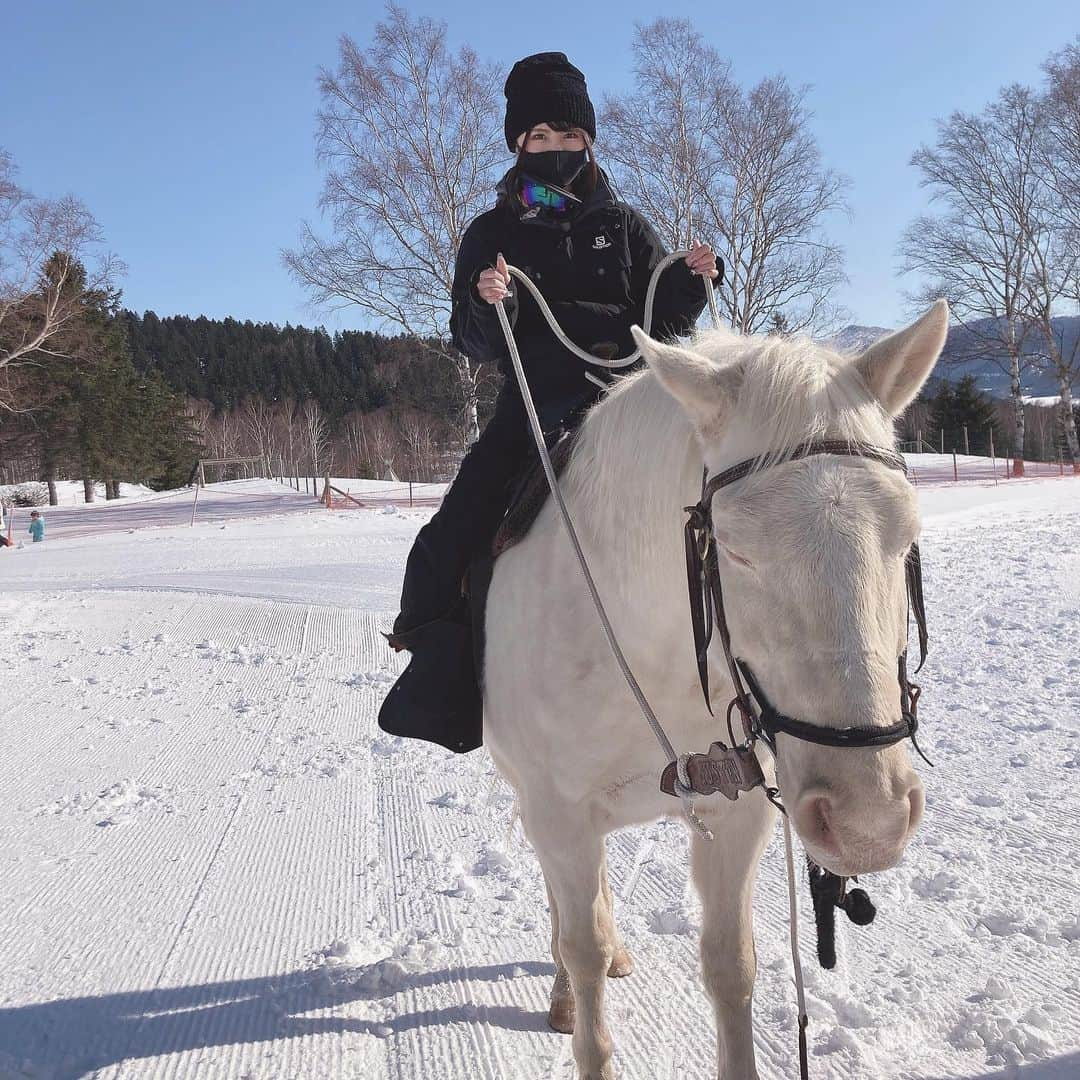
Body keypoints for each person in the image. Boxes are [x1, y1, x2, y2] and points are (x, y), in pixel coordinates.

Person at [379, 52, 721, 753]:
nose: (558, 150)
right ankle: (448, 683)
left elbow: (658, 318)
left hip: (627, 398)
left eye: (569, 137)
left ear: (588, 140)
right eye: (541, 137)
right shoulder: (491, 232)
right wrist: (485, 302)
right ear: (517, 144)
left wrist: (689, 282)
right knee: (450, 535)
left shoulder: (623, 224)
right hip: (534, 407)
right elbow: (470, 342)